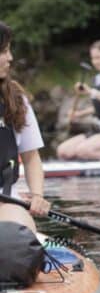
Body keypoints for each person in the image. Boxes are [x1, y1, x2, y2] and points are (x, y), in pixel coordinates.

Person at [0, 21, 51, 232]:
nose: (10, 58)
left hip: (5, 203)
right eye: (3, 51)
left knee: (17, 233)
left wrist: (37, 195)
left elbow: (31, 157)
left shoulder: (16, 99)